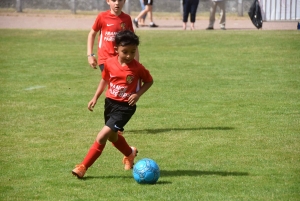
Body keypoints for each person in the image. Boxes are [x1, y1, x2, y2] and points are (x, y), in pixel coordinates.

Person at [72, 30, 154, 179]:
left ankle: (83, 167)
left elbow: (149, 81)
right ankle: (130, 153)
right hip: (110, 103)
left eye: (132, 51)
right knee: (112, 137)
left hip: (125, 107)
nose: (129, 55)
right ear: (116, 50)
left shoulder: (137, 68)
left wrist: (137, 94)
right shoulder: (109, 63)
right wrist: (95, 97)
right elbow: (105, 79)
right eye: (125, 52)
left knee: (102, 136)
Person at [87, 0, 139, 72]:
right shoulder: (102, 17)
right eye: (114, 0)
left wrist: (136, 63)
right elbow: (92, 34)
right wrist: (90, 55)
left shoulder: (127, 19)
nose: (117, 3)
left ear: (124, 1)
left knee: (119, 82)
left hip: (122, 58)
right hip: (105, 59)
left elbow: (133, 42)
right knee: (113, 81)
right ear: (108, 1)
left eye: (120, 0)